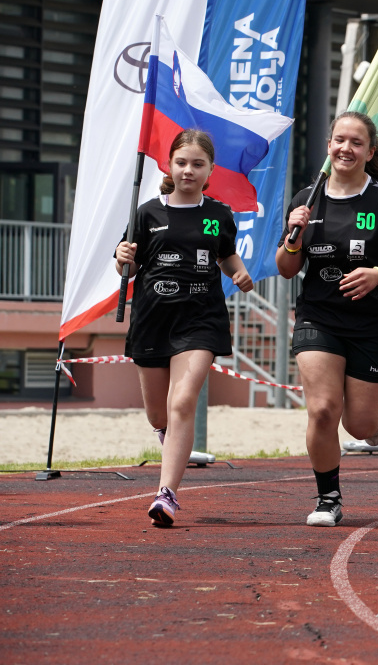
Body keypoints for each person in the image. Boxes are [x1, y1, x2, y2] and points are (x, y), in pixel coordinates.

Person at [277, 111, 378, 527]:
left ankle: (375, 421)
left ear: (370, 152)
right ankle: (328, 498)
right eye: (339, 140)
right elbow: (286, 268)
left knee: (359, 426)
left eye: (356, 142)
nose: (346, 148)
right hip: (318, 317)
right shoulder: (306, 200)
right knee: (323, 410)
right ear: (329, 146)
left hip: (374, 324)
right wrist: (293, 237)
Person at [114, 130, 253, 527]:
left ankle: (167, 494)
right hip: (152, 320)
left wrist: (239, 273)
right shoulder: (146, 213)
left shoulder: (219, 215)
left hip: (200, 320)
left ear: (210, 171)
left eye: (197, 164)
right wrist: (123, 257)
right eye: (181, 162)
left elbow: (227, 257)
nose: (188, 170)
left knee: (182, 403)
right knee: (159, 415)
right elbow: (127, 269)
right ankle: (171, 438)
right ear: (169, 166)